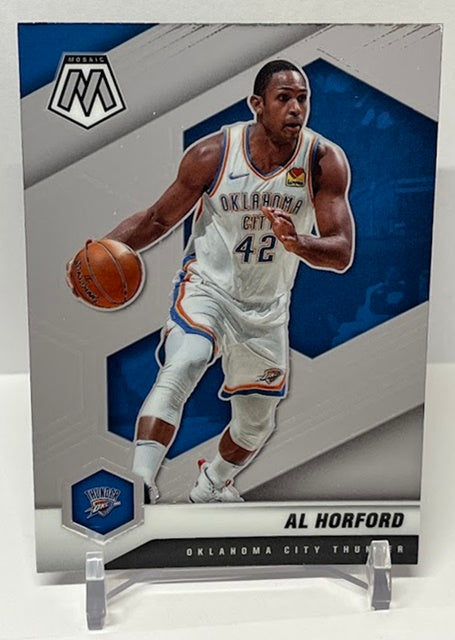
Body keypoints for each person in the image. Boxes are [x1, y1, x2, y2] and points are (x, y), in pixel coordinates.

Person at [70, 59, 354, 503]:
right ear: (257, 104)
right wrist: (100, 252)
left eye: (303, 99)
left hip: (266, 308)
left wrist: (297, 242)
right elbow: (157, 218)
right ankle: (140, 484)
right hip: (208, 288)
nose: (296, 108)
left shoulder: (323, 160)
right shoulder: (215, 154)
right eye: (284, 98)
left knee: (256, 424)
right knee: (185, 361)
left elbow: (342, 252)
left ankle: (213, 482)